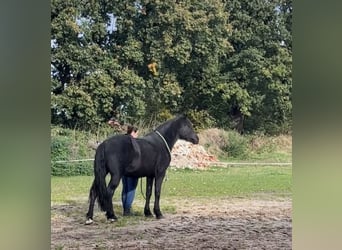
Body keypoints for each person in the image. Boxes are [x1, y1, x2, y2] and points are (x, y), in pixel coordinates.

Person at [121, 125, 140, 216]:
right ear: (133, 132)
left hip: (123, 168)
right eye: (137, 133)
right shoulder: (133, 142)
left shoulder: (122, 140)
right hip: (132, 168)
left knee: (125, 188)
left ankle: (125, 209)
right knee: (131, 189)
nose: (137, 136)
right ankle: (127, 210)